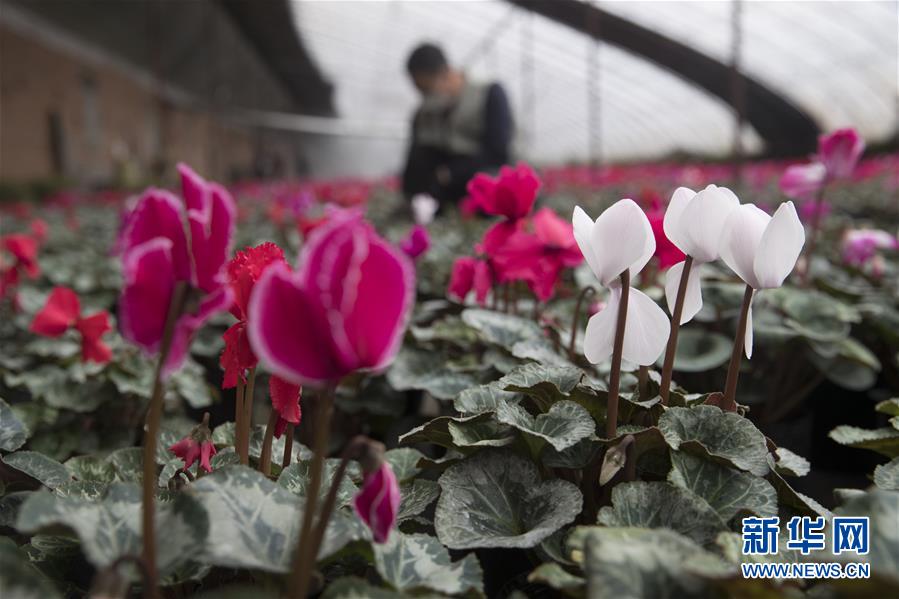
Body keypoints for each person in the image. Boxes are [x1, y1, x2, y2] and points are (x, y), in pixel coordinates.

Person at [401, 43, 514, 206]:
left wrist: (450, 173)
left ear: (445, 74)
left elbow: (498, 152)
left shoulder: (489, 93)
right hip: (450, 186)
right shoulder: (426, 111)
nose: (425, 97)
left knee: (491, 184)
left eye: (427, 90)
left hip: (483, 174)